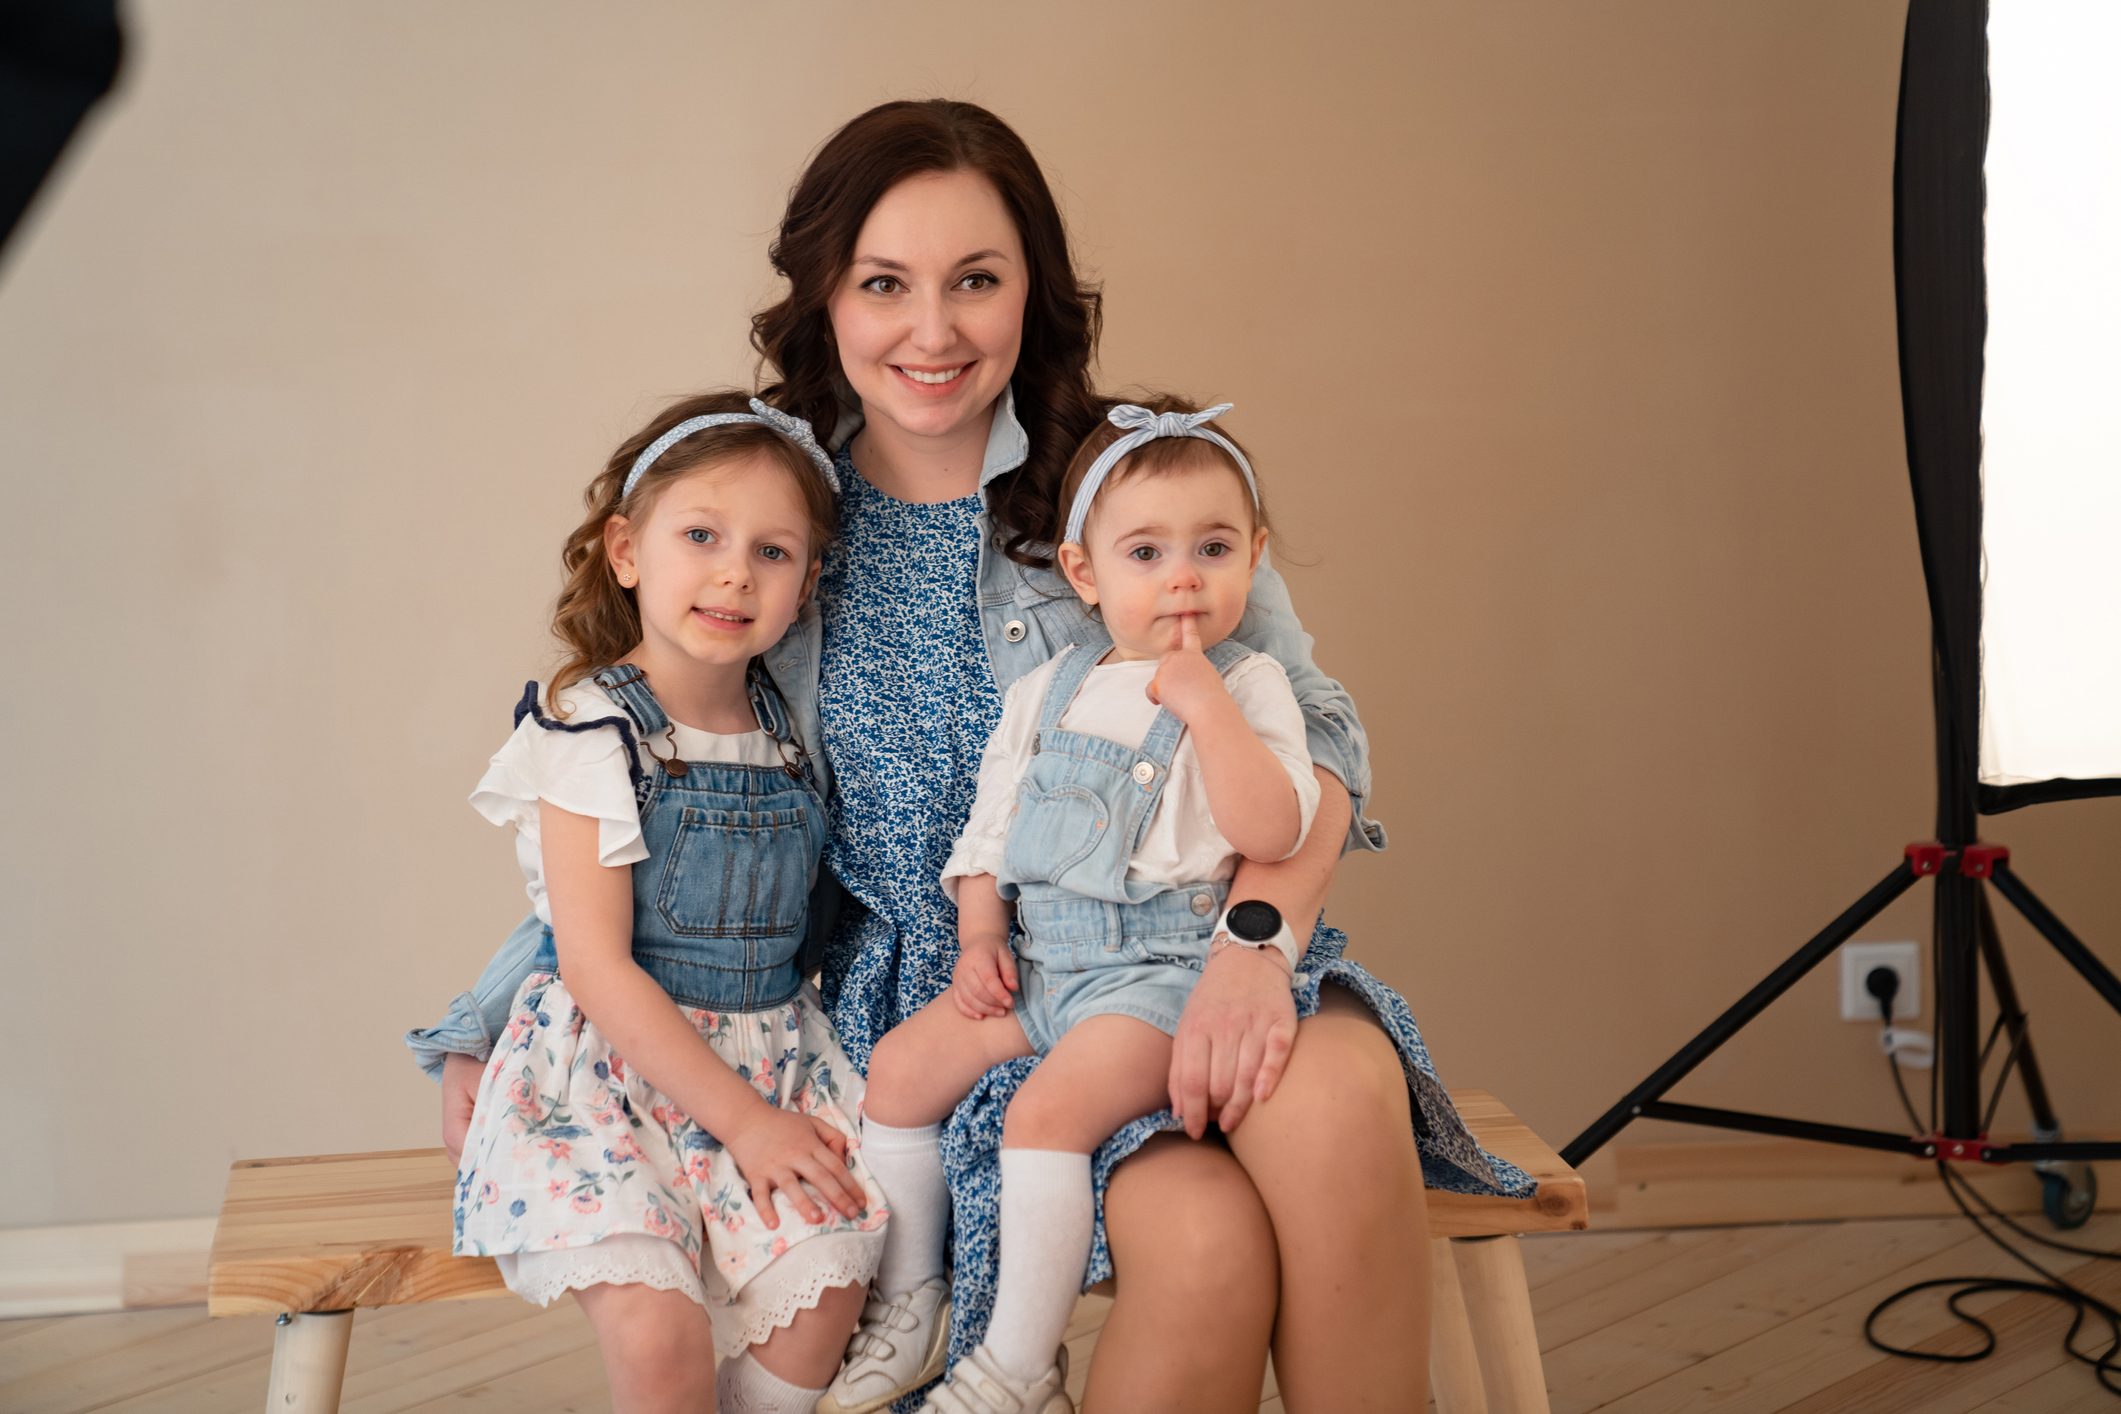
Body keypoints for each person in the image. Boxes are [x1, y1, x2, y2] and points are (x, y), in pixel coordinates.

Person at [411, 101, 1530, 1413]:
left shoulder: (1134, 479)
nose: (932, 331)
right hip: (954, 1013)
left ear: (1031, 293)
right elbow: (646, 801)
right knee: (1207, 1248)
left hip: (1183, 944)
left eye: (976, 282)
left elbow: (1321, 731)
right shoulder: (769, 519)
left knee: (1339, 1093)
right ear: (825, 294)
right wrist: (487, 1019)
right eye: (885, 283)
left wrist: (1256, 942)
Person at [828, 397, 1326, 1414]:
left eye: (1214, 547)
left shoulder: (1255, 683)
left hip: (1161, 979)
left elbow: (1275, 827)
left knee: (1046, 1115)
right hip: (1048, 968)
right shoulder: (1046, 690)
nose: (1183, 575)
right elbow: (991, 832)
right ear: (1086, 572)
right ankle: (912, 1289)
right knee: (900, 1067)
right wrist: (978, 938)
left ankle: (1016, 1365)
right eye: (1146, 552)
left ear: (1255, 556)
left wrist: (1207, 708)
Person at [449, 391, 889, 1414]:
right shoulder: (590, 733)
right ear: (627, 549)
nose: (736, 570)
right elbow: (589, 959)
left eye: (774, 552)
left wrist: (763, 1116)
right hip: (605, 1073)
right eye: (701, 535)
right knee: (661, 1328)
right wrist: (462, 1037)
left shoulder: (792, 728)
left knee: (830, 1275)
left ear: (808, 582)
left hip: (769, 1053)